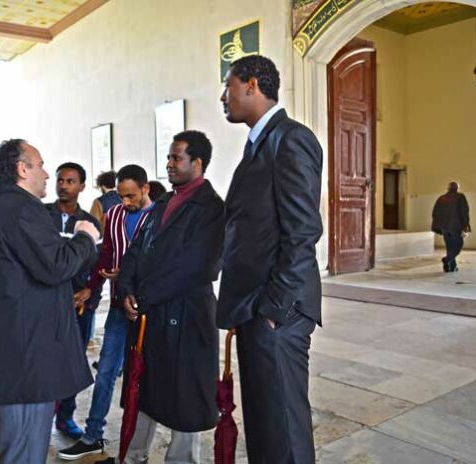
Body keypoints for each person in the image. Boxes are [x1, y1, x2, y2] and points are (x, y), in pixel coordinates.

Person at [0, 139, 100, 463]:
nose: (46, 174)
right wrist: (85, 236)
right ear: (22, 169)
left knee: (0, 450)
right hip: (24, 362)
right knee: (21, 451)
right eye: (40, 166)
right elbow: (56, 265)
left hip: (0, 355)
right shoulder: (21, 208)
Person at [218, 54, 323, 464]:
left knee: (284, 428)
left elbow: (302, 231)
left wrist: (274, 308)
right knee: (264, 423)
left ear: (251, 85)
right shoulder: (260, 143)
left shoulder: (289, 139)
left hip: (276, 310)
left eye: (228, 85)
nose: (223, 96)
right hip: (257, 306)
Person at [108, 130, 225, 464]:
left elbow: (197, 267)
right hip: (151, 314)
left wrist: (143, 297)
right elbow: (134, 253)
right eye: (170, 157)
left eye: (177, 158)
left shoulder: (213, 209)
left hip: (186, 316)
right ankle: (133, 456)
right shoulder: (162, 203)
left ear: (197, 163)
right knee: (142, 390)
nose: (169, 164)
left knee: (185, 400)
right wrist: (127, 291)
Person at [59, 165, 154, 461]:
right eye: (121, 196)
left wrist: (130, 276)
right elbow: (104, 256)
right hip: (116, 307)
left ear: (146, 188)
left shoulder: (160, 218)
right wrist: (92, 286)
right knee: (106, 373)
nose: (126, 202)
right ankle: (93, 435)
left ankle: (137, 448)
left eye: (131, 196)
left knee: (147, 379)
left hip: (149, 311)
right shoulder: (112, 216)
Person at [46, 162, 102, 439]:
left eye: (70, 181)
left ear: (81, 186)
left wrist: (90, 291)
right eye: (60, 180)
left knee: (72, 360)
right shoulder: (41, 216)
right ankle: (41, 416)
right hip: (44, 304)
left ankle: (65, 416)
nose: (63, 186)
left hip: (77, 305)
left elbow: (98, 264)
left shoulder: (90, 224)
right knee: (42, 358)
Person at [431, 181, 470, 272]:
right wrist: (466, 225)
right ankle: (447, 260)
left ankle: (451, 267)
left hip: (445, 228)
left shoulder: (441, 198)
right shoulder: (460, 197)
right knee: (458, 246)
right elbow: (464, 212)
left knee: (450, 247)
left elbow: (435, 213)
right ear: (456, 188)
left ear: (448, 188)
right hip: (455, 227)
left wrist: (439, 225)